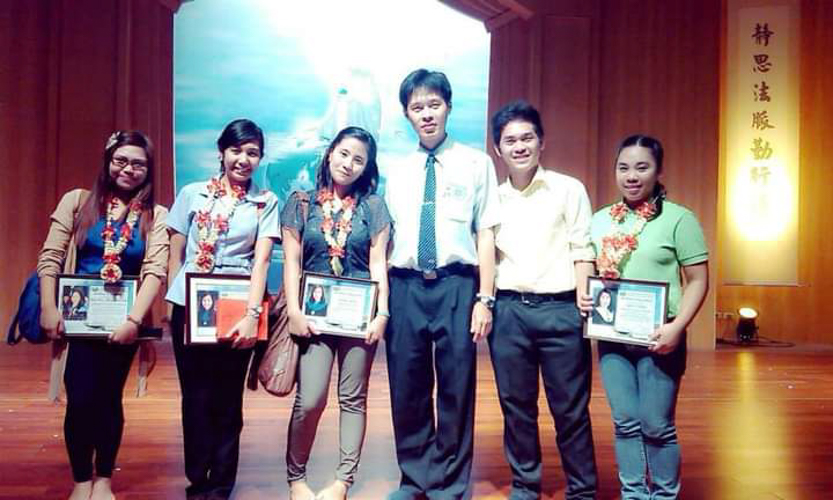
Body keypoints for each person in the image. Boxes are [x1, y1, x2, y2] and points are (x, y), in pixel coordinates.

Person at [384, 69, 500, 499]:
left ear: (448, 106)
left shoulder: (476, 163)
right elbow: (388, 237)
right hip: (406, 287)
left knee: (456, 387)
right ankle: (415, 478)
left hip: (456, 285)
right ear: (407, 114)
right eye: (417, 107)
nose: (426, 114)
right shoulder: (398, 169)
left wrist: (484, 298)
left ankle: (450, 484)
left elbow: (486, 233)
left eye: (434, 105)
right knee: (408, 385)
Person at [37, 130, 170, 500]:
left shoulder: (156, 215)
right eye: (121, 161)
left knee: (109, 398)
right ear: (108, 161)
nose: (129, 169)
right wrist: (48, 306)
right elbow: (50, 256)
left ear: (149, 170)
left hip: (122, 322)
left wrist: (133, 320)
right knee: (79, 397)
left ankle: (104, 480)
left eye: (139, 164)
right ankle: (81, 480)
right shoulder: (78, 202)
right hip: (76, 319)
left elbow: (156, 270)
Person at [581, 135, 709, 499]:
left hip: (660, 338)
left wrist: (677, 327)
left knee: (657, 426)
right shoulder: (602, 220)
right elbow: (588, 269)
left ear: (659, 171)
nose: (632, 176)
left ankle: (665, 495)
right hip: (613, 340)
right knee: (624, 423)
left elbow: (699, 280)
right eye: (624, 167)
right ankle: (634, 494)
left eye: (642, 167)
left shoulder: (679, 219)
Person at [166, 118, 280, 500]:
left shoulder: (266, 202)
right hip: (190, 306)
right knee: (195, 397)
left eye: (252, 153)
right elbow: (176, 251)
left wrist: (251, 315)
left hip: (237, 308)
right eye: (236, 150)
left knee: (228, 400)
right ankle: (197, 481)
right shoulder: (192, 194)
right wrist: (172, 300)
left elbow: (261, 262)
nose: (243, 160)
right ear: (222, 152)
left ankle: (221, 486)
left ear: (260, 158)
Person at [488, 100, 598, 499]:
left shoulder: (569, 189)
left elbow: (582, 248)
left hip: (562, 310)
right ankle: (525, 485)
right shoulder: (492, 199)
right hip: (509, 312)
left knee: (570, 410)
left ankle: (583, 490)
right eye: (509, 141)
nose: (519, 147)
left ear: (542, 142)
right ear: (497, 150)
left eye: (527, 138)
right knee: (516, 408)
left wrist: (584, 304)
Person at [282, 126, 391, 500]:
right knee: (310, 398)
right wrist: (294, 310)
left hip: (360, 318)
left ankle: (342, 482)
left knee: (353, 399)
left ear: (366, 168)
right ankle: (296, 479)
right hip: (312, 318)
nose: (349, 164)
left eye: (359, 159)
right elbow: (292, 261)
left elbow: (379, 263)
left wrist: (383, 314)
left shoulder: (373, 206)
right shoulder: (300, 203)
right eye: (344, 154)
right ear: (330, 154)